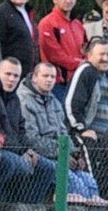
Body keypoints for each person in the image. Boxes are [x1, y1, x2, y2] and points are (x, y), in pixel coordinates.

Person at [0, 57, 57, 204]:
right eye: (8, 74)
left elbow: (21, 129)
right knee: (9, 162)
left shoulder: (13, 97)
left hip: (14, 149)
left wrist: (27, 150)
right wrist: (21, 152)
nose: (12, 79)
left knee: (47, 167)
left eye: (16, 76)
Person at [16, 62, 100, 198]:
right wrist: (63, 155)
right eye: (45, 76)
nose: (49, 80)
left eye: (52, 77)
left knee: (89, 181)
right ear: (35, 78)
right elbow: (32, 139)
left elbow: (63, 134)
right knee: (75, 183)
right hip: (40, 156)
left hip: (60, 155)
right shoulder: (23, 100)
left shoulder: (54, 101)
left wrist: (74, 155)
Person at [37, 0, 86, 102]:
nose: (68, 1)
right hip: (57, 84)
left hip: (77, 82)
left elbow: (85, 49)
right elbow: (55, 55)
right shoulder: (47, 23)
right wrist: (82, 63)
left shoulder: (78, 24)